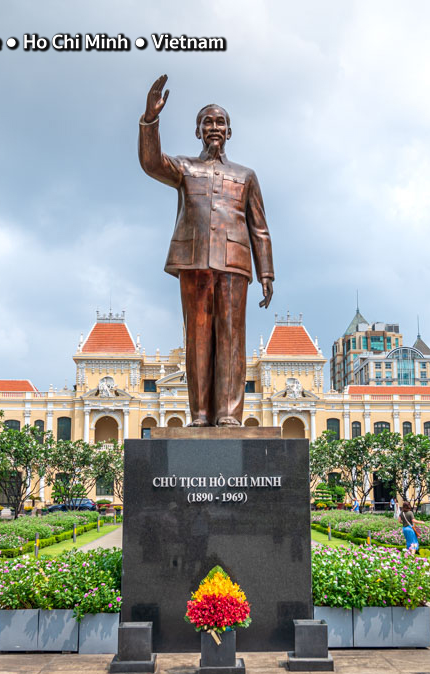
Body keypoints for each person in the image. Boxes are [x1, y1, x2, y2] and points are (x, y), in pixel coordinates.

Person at [138, 75, 275, 427]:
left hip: (235, 261)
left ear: (229, 131)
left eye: (220, 122)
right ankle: (199, 415)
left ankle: (229, 415)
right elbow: (152, 163)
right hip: (194, 260)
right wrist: (150, 120)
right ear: (197, 131)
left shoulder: (246, 175)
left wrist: (267, 273)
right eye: (207, 122)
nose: (214, 127)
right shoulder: (185, 168)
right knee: (198, 338)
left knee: (231, 338)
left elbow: (259, 227)